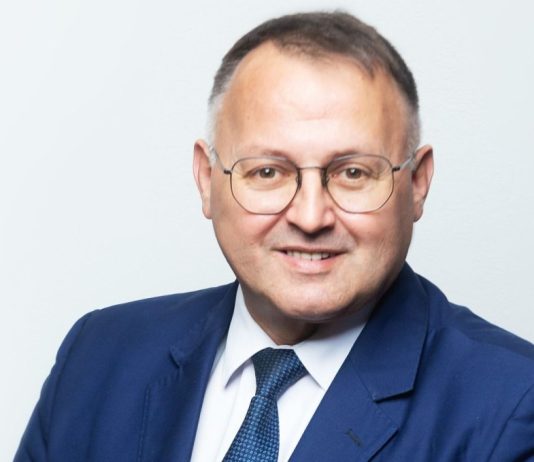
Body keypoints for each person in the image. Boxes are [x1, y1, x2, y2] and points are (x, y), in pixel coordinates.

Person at [15, 11, 534, 462]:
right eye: (267, 171)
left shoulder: (512, 403)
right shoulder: (98, 357)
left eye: (353, 172)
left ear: (416, 184)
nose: (310, 216)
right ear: (207, 180)